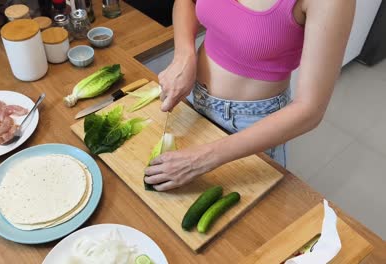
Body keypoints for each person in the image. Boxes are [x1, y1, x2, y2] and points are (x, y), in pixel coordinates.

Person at [144, 0, 355, 191]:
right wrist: (184, 55)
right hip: (192, 97)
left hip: (250, 124)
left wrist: (203, 159)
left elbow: (310, 109)